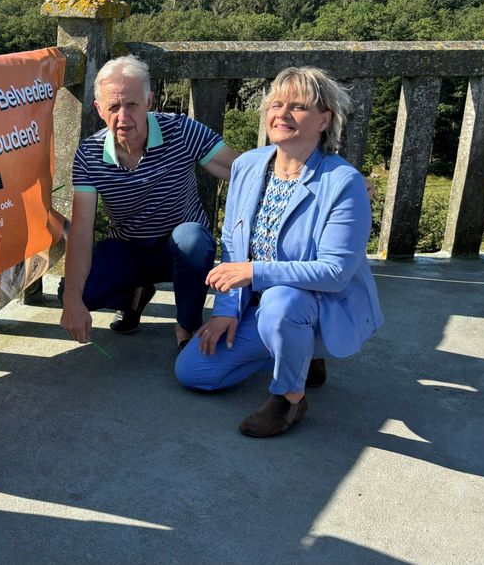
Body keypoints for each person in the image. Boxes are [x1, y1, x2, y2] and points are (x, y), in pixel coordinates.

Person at [174, 66, 383, 437]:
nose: (282, 114)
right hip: (260, 306)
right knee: (194, 373)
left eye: (298, 107)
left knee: (282, 303)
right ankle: (294, 354)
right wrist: (226, 309)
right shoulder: (247, 165)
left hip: (320, 306)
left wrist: (255, 272)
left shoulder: (343, 182)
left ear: (324, 120)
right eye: (276, 104)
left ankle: (289, 397)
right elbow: (233, 244)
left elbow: (335, 273)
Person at [59, 56, 238, 348]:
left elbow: (236, 169)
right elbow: (81, 231)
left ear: (149, 101)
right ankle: (135, 294)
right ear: (99, 109)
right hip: (130, 248)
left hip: (180, 250)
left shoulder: (180, 130)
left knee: (192, 238)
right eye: (113, 107)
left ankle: (186, 328)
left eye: (132, 104)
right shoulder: (89, 155)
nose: (123, 116)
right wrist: (71, 302)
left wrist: (290, 168)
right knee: (76, 292)